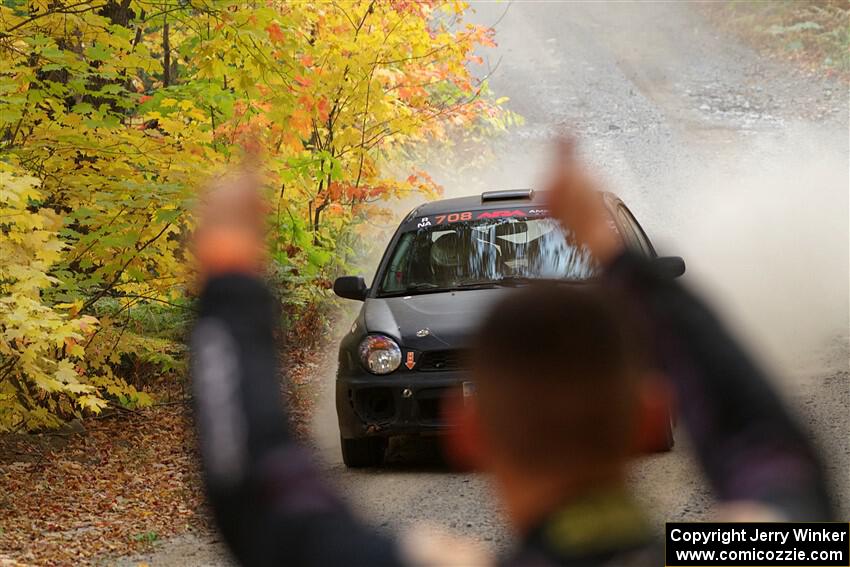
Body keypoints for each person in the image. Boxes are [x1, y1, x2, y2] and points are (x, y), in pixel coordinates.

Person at [190, 142, 832, 567]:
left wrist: (229, 272)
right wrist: (619, 262)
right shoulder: (761, 546)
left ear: (473, 433)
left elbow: (261, 496)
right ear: (648, 410)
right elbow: (766, 443)